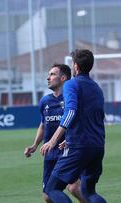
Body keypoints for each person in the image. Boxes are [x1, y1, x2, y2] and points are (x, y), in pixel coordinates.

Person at [40, 49, 106, 203]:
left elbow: (70, 112)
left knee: (52, 189)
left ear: (75, 67)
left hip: (79, 147)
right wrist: (70, 137)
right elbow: (97, 117)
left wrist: (53, 140)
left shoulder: (71, 84)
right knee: (89, 192)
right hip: (97, 146)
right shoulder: (97, 88)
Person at [24, 64, 86, 203]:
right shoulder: (45, 101)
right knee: (48, 196)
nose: (48, 77)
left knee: (74, 187)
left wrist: (71, 140)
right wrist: (34, 145)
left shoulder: (71, 99)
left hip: (68, 152)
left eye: (52, 74)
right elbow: (43, 125)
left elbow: (80, 124)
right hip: (50, 154)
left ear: (63, 78)